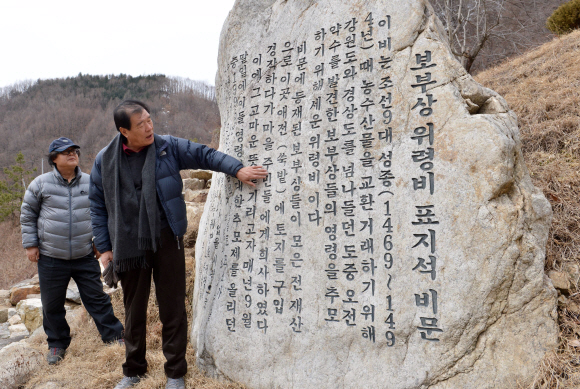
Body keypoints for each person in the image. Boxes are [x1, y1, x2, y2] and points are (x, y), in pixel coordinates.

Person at [89, 100, 267, 389]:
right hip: (128, 245)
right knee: (133, 310)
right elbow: (97, 205)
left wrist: (237, 169)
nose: (149, 127)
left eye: (150, 119)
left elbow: (204, 154)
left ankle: (175, 372)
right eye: (141, 124)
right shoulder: (104, 160)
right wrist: (105, 248)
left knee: (172, 307)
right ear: (124, 131)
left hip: (165, 238)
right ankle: (133, 369)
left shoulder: (166, 147)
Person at [20, 137, 124, 365]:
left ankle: (115, 337)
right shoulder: (40, 184)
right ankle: (57, 344)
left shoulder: (91, 182)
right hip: (50, 256)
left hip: (84, 254)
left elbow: (103, 213)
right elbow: (28, 215)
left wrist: (102, 243)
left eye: (74, 150)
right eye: (65, 152)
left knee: (97, 299)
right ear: (54, 159)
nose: (72, 154)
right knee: (52, 304)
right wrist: (31, 244)